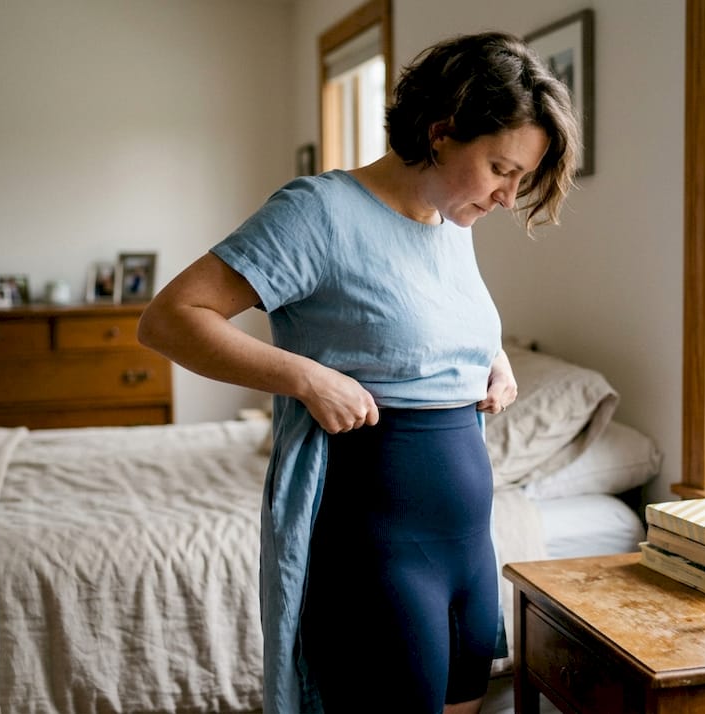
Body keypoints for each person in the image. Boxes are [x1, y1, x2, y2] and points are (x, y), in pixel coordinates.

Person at [137, 30, 579, 714]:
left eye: (520, 179)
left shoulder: (451, 224)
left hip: (467, 545)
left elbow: (424, 324)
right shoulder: (319, 213)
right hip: (377, 544)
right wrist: (306, 378)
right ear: (441, 133)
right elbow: (170, 317)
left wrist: (492, 364)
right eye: (501, 168)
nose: (507, 195)